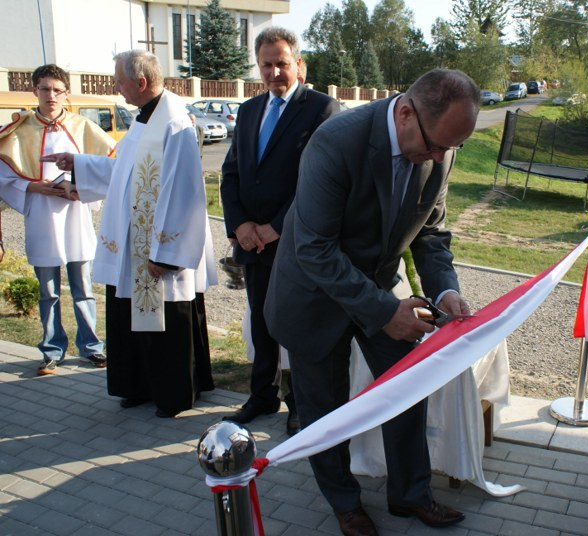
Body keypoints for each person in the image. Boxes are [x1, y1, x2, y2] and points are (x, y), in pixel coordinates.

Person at [265, 68, 479, 536]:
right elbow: (315, 250)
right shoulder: (335, 142)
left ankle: (410, 495)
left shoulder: (440, 149)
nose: (440, 157)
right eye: (435, 145)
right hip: (313, 295)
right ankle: (344, 503)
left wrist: (445, 290)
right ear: (405, 114)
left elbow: (431, 233)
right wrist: (385, 312)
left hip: (377, 290)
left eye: (452, 148)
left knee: (406, 386)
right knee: (325, 410)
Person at [43, 50, 216, 418]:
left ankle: (172, 394)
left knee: (166, 320)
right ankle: (139, 385)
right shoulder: (143, 120)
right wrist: (79, 164)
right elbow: (124, 171)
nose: (116, 88)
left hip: (158, 250)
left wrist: (164, 254)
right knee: (130, 317)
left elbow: (183, 191)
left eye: (119, 81)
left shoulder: (174, 123)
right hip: (133, 246)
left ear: (140, 82)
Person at [219, 27, 339, 431]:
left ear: (298, 64)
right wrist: (240, 226)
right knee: (262, 321)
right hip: (253, 243)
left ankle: (301, 403)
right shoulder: (250, 110)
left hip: (295, 242)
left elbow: (318, 182)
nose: (273, 73)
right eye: (266, 65)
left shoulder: (322, 109)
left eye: (281, 63)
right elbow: (231, 173)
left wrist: (274, 228)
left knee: (298, 327)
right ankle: (262, 396)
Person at [0, 64, 115, 375]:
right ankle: (52, 349)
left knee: (83, 287)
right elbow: (4, 176)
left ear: (66, 93)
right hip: (41, 215)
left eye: (57, 90)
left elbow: (106, 167)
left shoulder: (82, 127)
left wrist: (81, 189)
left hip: (75, 216)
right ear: (35, 91)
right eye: (44, 89)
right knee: (48, 290)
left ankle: (91, 347)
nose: (51, 95)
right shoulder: (19, 130)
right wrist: (32, 187)